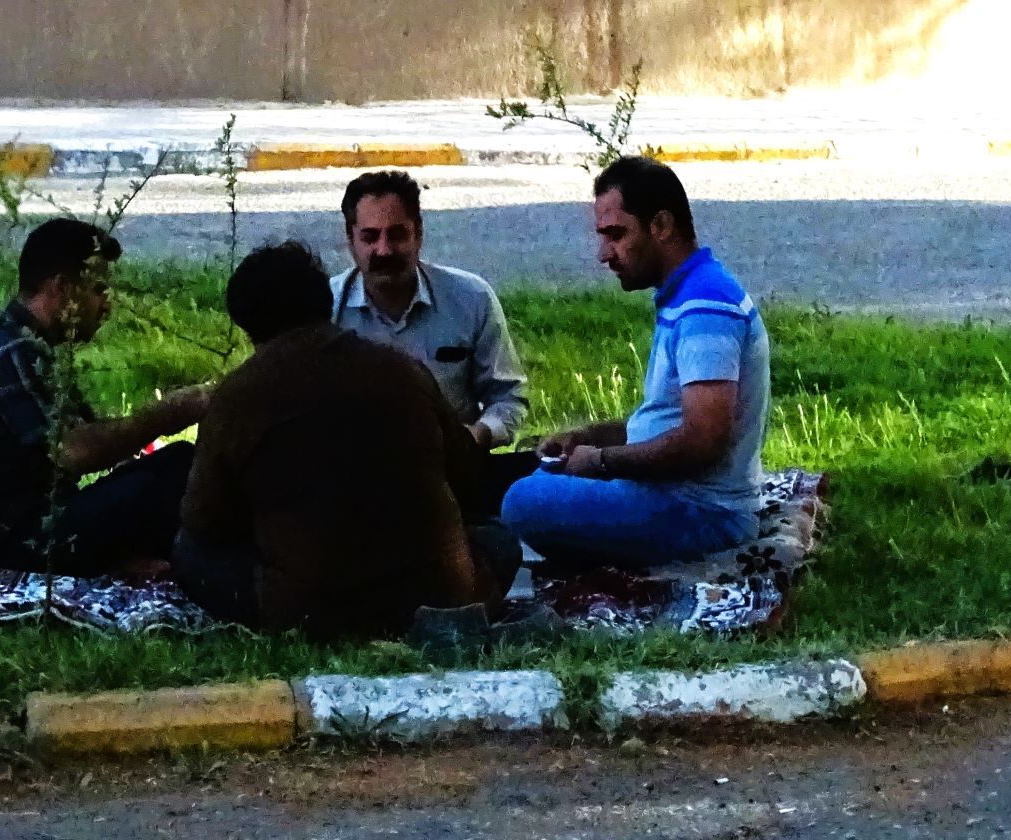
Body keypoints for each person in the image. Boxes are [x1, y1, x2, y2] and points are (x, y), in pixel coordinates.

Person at [174, 242, 521, 640]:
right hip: (439, 598)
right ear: (324, 303)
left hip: (308, 613)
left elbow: (204, 521)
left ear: (247, 323)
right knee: (499, 539)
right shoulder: (401, 370)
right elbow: (466, 476)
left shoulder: (237, 397)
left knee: (189, 551)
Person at [501, 156, 771, 568]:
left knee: (522, 501)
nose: (603, 254)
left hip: (707, 512)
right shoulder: (688, 293)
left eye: (615, 235)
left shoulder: (705, 307)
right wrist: (588, 437)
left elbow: (704, 440)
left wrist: (603, 462)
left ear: (661, 227)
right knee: (532, 478)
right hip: (681, 496)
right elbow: (667, 421)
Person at [0, 218, 209, 575]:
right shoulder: (14, 353)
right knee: (165, 484)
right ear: (63, 288)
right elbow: (76, 452)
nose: (105, 306)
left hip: (33, 522)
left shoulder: (26, 346)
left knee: (178, 463)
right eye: (98, 290)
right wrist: (176, 411)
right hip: (8, 545)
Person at [331, 170, 534, 505]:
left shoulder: (471, 298)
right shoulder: (326, 308)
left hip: (450, 479)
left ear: (419, 234)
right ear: (349, 239)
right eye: (370, 237)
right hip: (353, 486)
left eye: (397, 235)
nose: (384, 250)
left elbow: (509, 397)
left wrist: (474, 438)